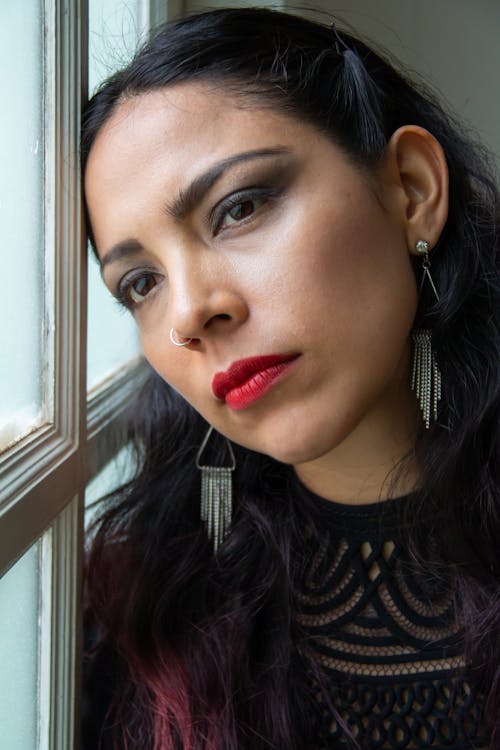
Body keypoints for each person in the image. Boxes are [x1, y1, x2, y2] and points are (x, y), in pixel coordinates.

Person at [80, 8, 499, 750]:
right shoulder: (133, 616)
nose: (189, 314)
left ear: (410, 189)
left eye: (238, 208)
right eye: (141, 283)